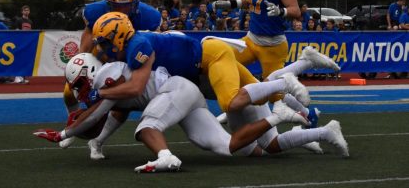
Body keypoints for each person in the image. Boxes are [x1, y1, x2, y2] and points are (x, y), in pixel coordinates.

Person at [36, 54, 346, 172]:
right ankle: (284, 115)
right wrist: (96, 141)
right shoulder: (109, 77)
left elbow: (97, 111)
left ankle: (165, 156)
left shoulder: (107, 76)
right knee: (229, 148)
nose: (78, 89)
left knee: (150, 127)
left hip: (180, 90)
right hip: (185, 95)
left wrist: (65, 134)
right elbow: (113, 113)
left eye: (79, 82)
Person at [85, 12, 339, 156]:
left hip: (210, 59)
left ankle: (287, 87)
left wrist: (98, 94)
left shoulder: (138, 47)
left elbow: (134, 90)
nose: (105, 50)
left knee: (232, 101)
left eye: (107, 42)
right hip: (204, 69)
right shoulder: (136, 42)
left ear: (120, 36)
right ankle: (320, 124)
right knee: (263, 145)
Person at [213, 0, 323, 123]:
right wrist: (233, 4)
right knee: (225, 60)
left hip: (272, 45)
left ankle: (307, 113)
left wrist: (282, 11)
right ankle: (232, 106)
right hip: (251, 39)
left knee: (273, 94)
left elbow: (296, 11)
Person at [60, 0, 161, 150]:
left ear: (136, 1)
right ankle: (74, 125)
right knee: (70, 90)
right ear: (108, 2)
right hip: (102, 53)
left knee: (122, 102)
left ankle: (98, 141)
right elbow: (86, 46)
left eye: (127, 4)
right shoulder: (95, 12)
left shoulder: (149, 17)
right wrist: (81, 63)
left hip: (127, 58)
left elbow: (152, 45)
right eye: (117, 5)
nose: (122, 9)